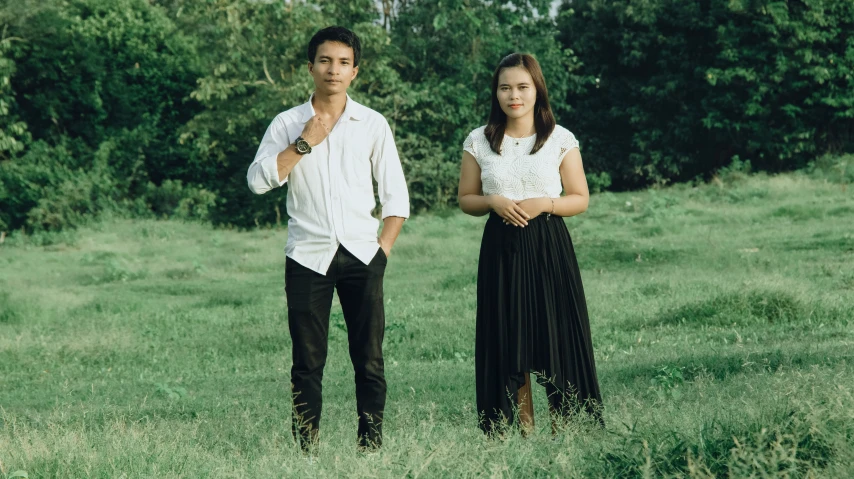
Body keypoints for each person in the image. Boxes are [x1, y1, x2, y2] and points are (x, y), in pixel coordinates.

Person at [247, 26, 410, 452]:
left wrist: (382, 251)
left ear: (355, 71)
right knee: (307, 362)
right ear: (310, 67)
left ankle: (370, 447)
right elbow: (257, 182)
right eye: (324, 61)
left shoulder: (372, 124)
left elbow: (396, 198)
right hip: (306, 257)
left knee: (370, 360)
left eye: (342, 62)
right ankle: (307, 450)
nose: (332, 70)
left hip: (362, 254)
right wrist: (304, 143)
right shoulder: (287, 123)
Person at [457, 53, 604, 435]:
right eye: (505, 87)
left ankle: (564, 426)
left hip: (548, 245)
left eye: (522, 87)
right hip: (500, 248)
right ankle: (521, 429)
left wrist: (545, 204)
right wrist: (493, 201)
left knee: (554, 333)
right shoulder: (479, 139)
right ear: (496, 92)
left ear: (537, 89)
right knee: (508, 337)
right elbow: (466, 199)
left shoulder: (559, 138)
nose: (514, 95)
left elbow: (580, 197)